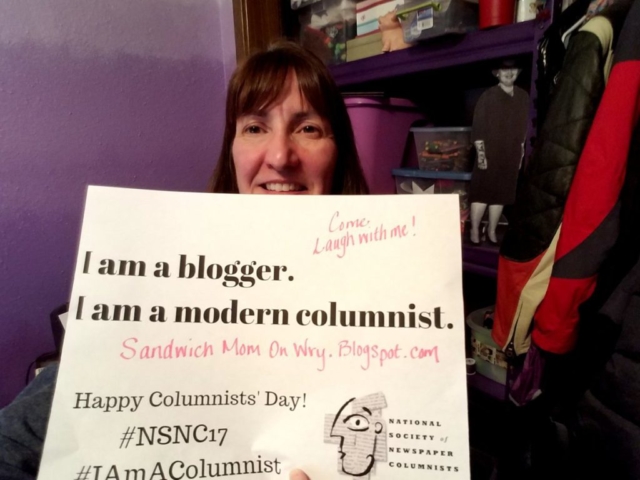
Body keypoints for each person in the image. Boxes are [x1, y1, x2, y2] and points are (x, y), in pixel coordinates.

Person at [0, 41, 368, 480]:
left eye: (308, 128)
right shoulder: (163, 298)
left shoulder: (393, 298)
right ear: (232, 151)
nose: (279, 156)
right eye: (254, 127)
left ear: (338, 150)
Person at [468, 61, 529, 245]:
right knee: (482, 194)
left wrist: (521, 153)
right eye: (504, 69)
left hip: (511, 154)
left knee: (502, 195)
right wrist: (481, 156)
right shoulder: (488, 97)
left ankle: (492, 230)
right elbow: (478, 128)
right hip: (489, 154)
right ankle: (474, 229)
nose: (509, 73)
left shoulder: (523, 97)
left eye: (513, 68)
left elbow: (524, 129)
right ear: (497, 73)